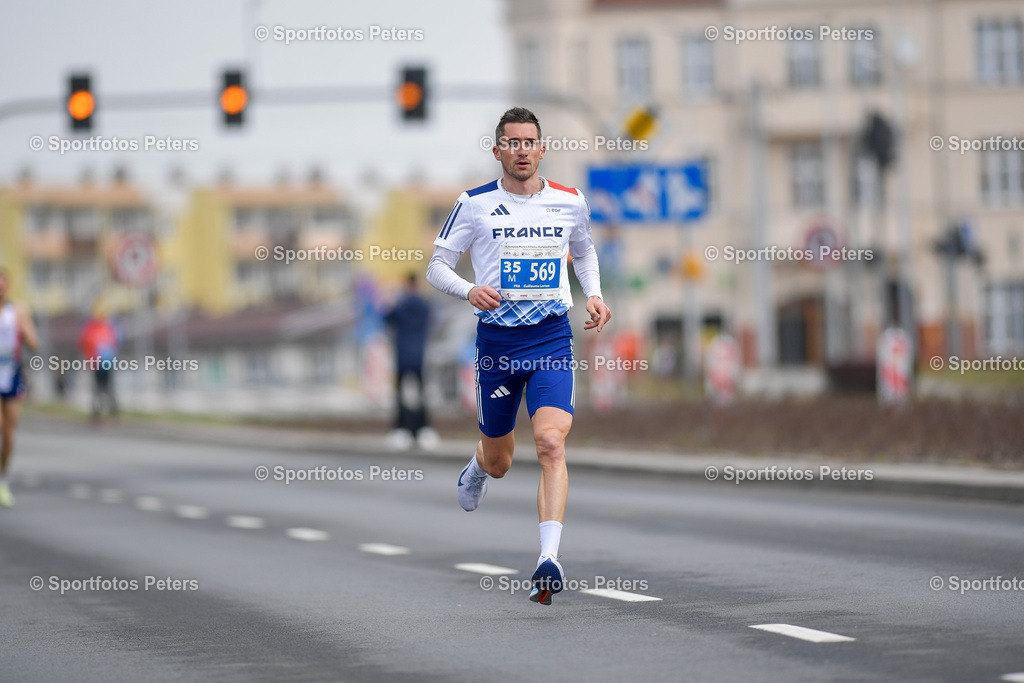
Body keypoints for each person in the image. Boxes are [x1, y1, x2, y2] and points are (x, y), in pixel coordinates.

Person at [425, 107, 611, 605]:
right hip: (498, 346)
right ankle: (478, 467)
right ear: (498, 150)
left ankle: (548, 558)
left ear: (542, 148)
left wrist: (592, 292)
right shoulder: (475, 204)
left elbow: (585, 251)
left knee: (551, 442)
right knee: (502, 461)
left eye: (530, 142)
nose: (522, 150)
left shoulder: (570, 202)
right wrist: (469, 291)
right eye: (513, 143)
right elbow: (437, 267)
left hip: (551, 336)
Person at [0, 269, 40, 508]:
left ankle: (2, 479)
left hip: (11, 375)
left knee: (9, 434)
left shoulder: (18, 312)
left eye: (3, 284)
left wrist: (25, 333)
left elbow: (34, 343)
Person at [384, 273, 436, 450]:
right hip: (420, 354)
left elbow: (387, 320)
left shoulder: (401, 304)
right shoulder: (424, 304)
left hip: (402, 354)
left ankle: (402, 428)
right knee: (421, 394)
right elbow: (432, 322)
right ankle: (422, 428)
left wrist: (389, 301)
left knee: (400, 395)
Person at [78, 307, 120, 423]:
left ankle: (106, 410)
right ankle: (106, 410)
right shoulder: (106, 327)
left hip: (100, 362)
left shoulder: (94, 328)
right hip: (102, 362)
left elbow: (83, 343)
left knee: (102, 387)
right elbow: (116, 342)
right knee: (103, 387)